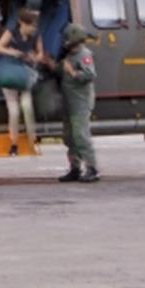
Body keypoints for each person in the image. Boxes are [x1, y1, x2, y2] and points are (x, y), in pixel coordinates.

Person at [0, 8, 43, 156]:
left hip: (25, 73)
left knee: (27, 106)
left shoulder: (36, 35)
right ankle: (13, 143)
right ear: (22, 23)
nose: (33, 28)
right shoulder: (11, 33)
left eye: (34, 25)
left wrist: (35, 58)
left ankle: (32, 141)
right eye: (31, 25)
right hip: (10, 73)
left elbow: (41, 54)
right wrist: (12, 52)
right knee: (14, 111)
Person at [57, 23, 99, 183]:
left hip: (80, 102)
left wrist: (73, 73)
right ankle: (75, 167)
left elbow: (90, 74)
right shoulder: (69, 56)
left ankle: (92, 168)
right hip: (70, 102)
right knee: (70, 137)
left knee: (81, 136)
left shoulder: (84, 54)